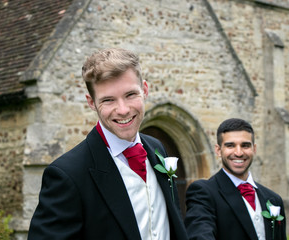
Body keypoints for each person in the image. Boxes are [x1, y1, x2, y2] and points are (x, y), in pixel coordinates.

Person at [28, 48, 188, 240]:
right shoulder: (67, 175)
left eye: (130, 95)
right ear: (92, 102)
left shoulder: (157, 148)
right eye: (108, 100)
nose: (123, 110)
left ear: (144, 90)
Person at [184, 118, 286, 240]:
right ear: (218, 150)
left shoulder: (273, 199)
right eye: (230, 145)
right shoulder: (203, 193)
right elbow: (199, 235)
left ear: (254, 149)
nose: (238, 153)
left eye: (245, 145)